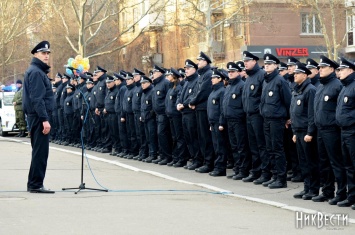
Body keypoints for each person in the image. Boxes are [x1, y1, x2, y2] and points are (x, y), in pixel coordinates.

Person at [23, 41, 55, 193]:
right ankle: (35, 184)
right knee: (40, 152)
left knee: (39, 151)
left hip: (35, 116)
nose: (46, 56)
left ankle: (34, 183)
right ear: (36, 54)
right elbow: (37, 98)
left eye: (48, 53)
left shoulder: (36, 70)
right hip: (38, 117)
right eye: (43, 53)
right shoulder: (36, 72)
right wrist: (44, 119)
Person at [314, 55, 345, 205]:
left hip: (332, 130)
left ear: (332, 69)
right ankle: (327, 192)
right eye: (319, 68)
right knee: (323, 162)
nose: (320, 70)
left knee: (336, 162)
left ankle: (341, 193)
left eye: (323, 67)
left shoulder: (337, 85)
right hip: (320, 129)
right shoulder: (320, 86)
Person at [260, 53, 291, 189]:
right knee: (270, 149)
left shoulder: (280, 80)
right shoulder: (266, 80)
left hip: (277, 119)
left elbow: (288, 100)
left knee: (278, 149)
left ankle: (281, 179)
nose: (267, 65)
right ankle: (274, 176)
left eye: (270, 64)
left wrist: (287, 118)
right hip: (267, 118)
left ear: (276, 65)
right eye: (265, 64)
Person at [289, 62, 319, 200]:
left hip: (307, 132)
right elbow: (294, 113)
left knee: (310, 161)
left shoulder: (310, 90)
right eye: (294, 73)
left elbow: (312, 114)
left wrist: (310, 132)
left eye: (298, 73)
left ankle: (313, 189)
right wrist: (294, 132)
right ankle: (306, 188)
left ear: (305, 75)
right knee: (303, 162)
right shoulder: (297, 90)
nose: (295, 75)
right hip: (299, 131)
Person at [241, 51, 268, 184]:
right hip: (249, 115)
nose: (245, 63)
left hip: (258, 116)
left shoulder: (261, 75)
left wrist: (259, 111)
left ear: (254, 61)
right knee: (253, 146)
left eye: (247, 61)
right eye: (244, 61)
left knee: (261, 145)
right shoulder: (249, 77)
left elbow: (263, 98)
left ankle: (265, 172)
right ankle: (256, 171)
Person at [223, 62, 251, 180]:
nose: (230, 74)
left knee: (241, 146)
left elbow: (244, 103)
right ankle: (237, 168)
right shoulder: (229, 86)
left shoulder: (241, 85)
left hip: (239, 120)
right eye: (229, 72)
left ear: (238, 72)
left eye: (233, 72)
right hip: (230, 120)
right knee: (234, 146)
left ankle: (244, 170)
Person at [335, 57, 355, 209]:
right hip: (344, 131)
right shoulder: (344, 87)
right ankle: (351, 196)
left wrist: (349, 119)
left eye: (341, 69)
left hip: (353, 131)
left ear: (350, 70)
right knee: (348, 166)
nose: (339, 72)